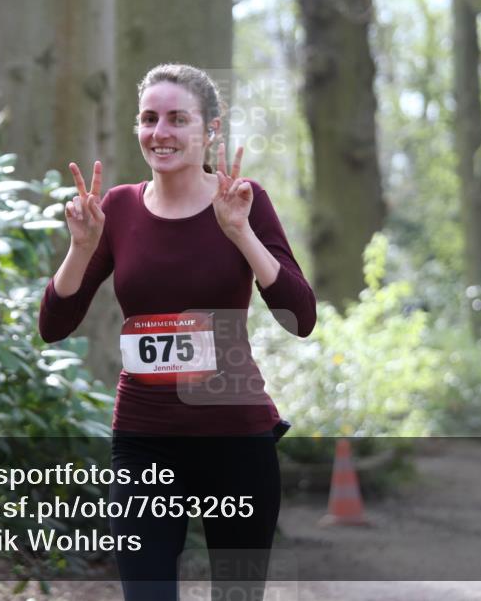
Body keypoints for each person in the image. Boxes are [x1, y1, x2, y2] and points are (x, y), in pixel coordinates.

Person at [38, 63, 316, 601]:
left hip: (235, 437)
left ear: (211, 129)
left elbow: (299, 317)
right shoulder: (117, 208)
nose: (159, 132)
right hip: (145, 441)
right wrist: (81, 247)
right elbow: (54, 325)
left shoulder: (242, 199)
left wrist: (240, 234)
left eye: (177, 119)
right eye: (149, 118)